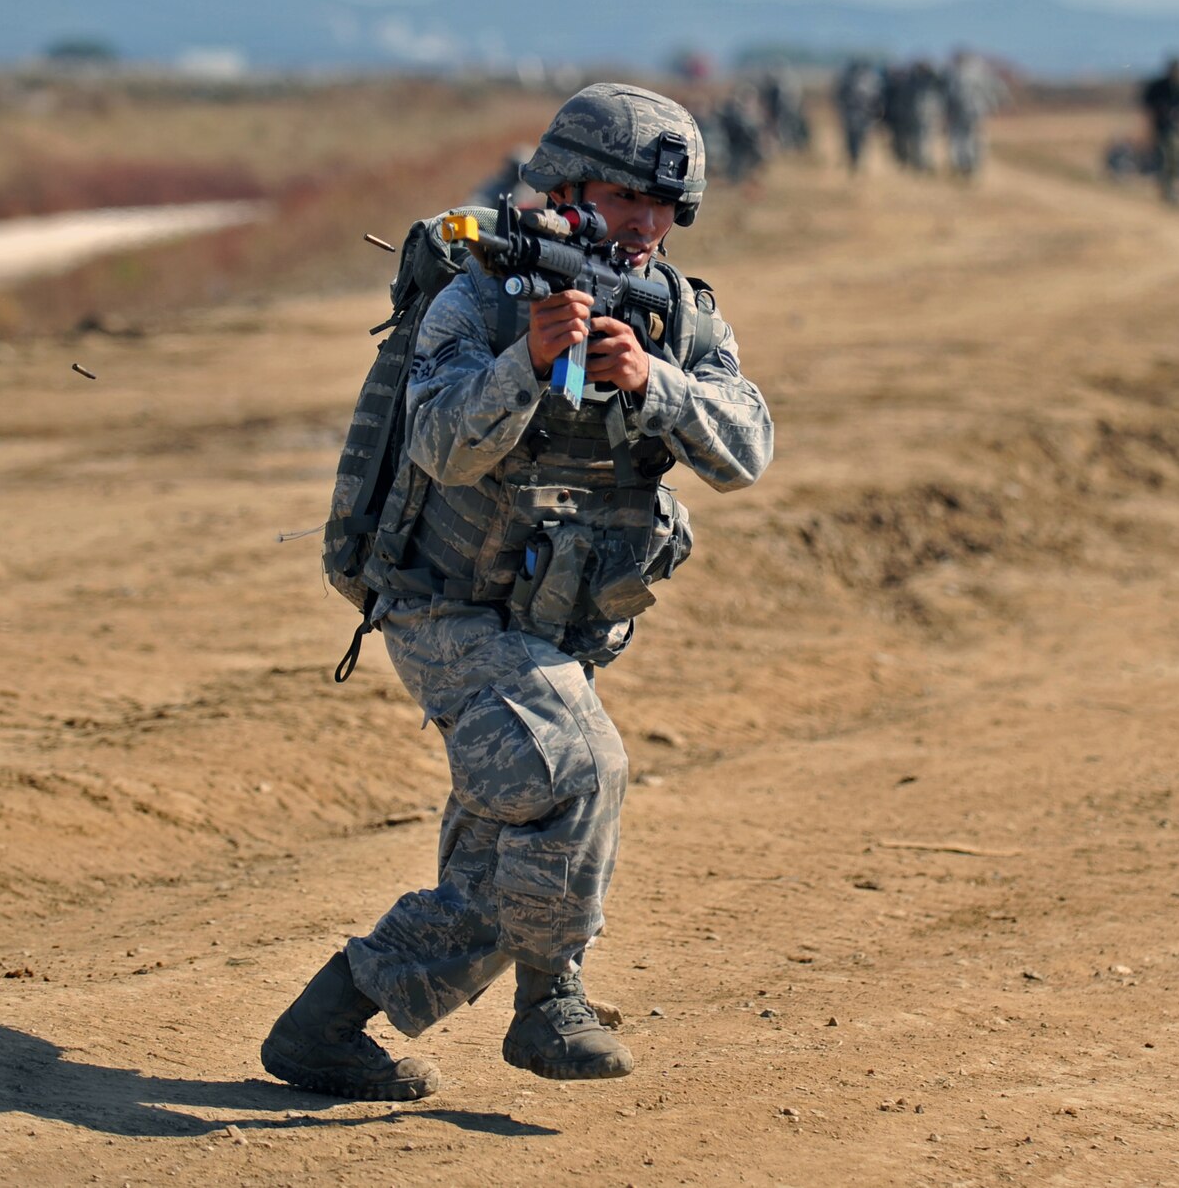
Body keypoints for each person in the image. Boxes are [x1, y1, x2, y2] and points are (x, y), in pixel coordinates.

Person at [261, 84, 774, 1100]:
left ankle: (327, 1024)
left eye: (666, 208)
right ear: (567, 188)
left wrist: (653, 383)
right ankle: (550, 1001)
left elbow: (745, 450)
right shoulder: (483, 298)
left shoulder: (674, 312)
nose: (647, 224)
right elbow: (442, 446)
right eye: (627, 197)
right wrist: (531, 361)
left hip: (561, 624)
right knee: (581, 771)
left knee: (503, 861)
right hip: (445, 607)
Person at [942, 48, 1004, 179]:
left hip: (972, 112)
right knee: (965, 139)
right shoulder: (959, 73)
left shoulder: (959, 73)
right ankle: (965, 165)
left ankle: (968, 165)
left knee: (968, 139)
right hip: (966, 112)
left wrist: (993, 104)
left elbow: (992, 89)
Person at [1140, 56, 1179, 203]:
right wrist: (1160, 111)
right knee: (1164, 157)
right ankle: (1166, 188)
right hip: (1161, 128)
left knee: (1176, 157)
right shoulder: (1159, 87)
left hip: (1177, 130)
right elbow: (1147, 102)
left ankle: (1171, 187)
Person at [834, 58, 883, 173]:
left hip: (865, 115)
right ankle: (854, 160)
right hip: (853, 115)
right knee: (853, 139)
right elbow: (840, 97)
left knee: (863, 139)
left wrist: (876, 112)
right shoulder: (851, 80)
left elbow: (877, 99)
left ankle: (859, 160)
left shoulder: (871, 81)